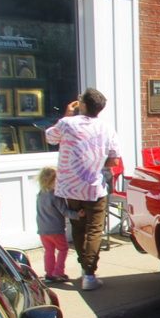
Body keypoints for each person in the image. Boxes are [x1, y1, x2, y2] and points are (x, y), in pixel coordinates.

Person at [45, 88, 120, 291]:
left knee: (78, 227)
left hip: (70, 188)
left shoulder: (67, 123)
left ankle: (85, 269)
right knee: (94, 229)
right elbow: (113, 160)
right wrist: (94, 160)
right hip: (93, 186)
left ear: (84, 105)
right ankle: (89, 273)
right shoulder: (107, 128)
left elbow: (50, 137)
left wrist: (67, 115)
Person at [36, 166, 78, 283]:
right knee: (63, 249)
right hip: (55, 229)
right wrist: (78, 215)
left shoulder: (40, 194)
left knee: (49, 251)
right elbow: (64, 211)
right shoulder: (55, 195)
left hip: (43, 229)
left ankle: (49, 274)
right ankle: (58, 272)